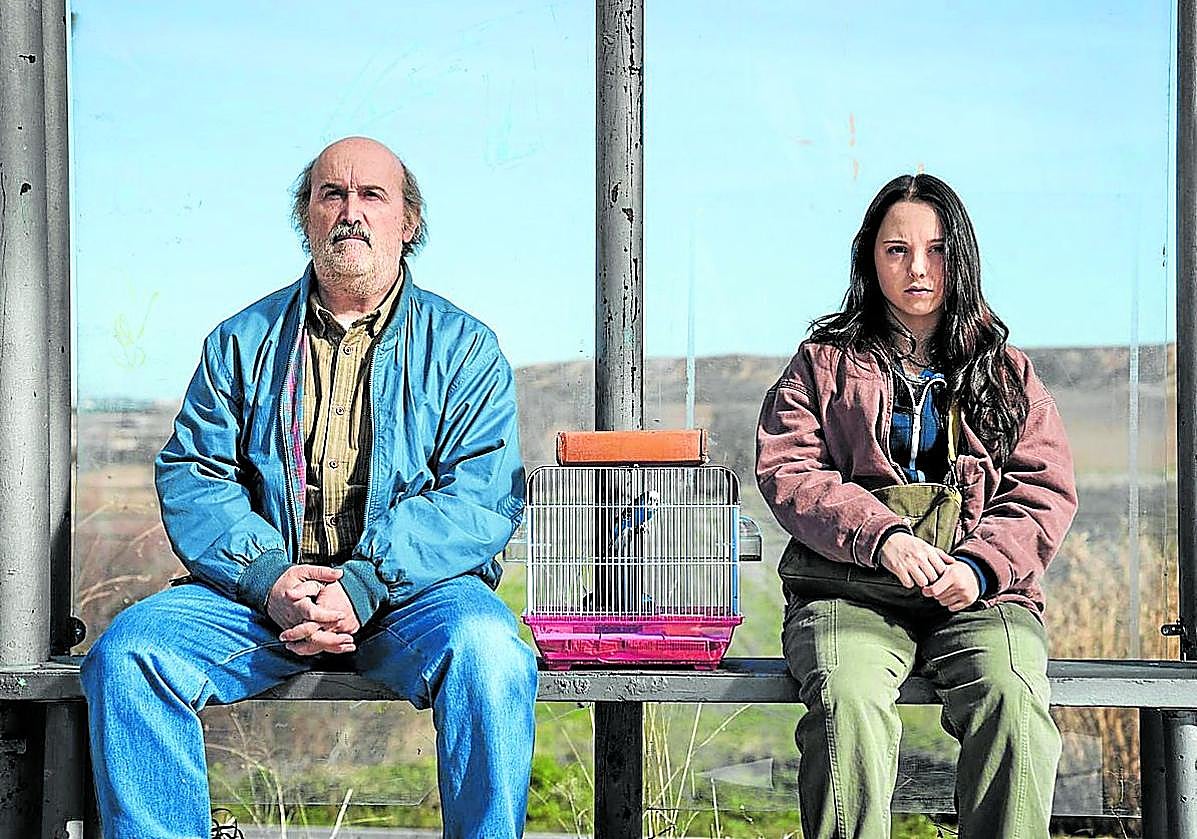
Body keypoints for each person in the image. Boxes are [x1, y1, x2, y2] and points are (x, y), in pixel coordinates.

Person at [81, 136, 536, 839]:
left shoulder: (465, 347)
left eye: (371, 195)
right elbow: (194, 472)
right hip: (263, 602)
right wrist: (268, 575)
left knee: (488, 648)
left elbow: (480, 494)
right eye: (332, 194)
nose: (350, 211)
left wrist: (364, 582)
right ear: (307, 217)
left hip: (415, 600)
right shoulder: (241, 340)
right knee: (132, 653)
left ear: (407, 222)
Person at [756, 173, 1077, 839]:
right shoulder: (822, 362)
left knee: (1012, 700)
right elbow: (789, 469)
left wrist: (980, 567)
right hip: (849, 589)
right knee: (845, 700)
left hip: (981, 598)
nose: (917, 267)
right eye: (896, 249)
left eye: (935, 249)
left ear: (960, 257)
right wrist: (881, 537)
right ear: (868, 258)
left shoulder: (1006, 371)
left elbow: (1040, 488)